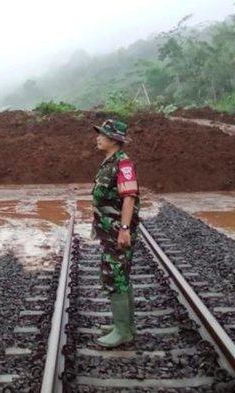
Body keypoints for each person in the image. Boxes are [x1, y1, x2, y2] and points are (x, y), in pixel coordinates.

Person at [91, 119, 140, 348]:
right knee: (121, 275)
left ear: (113, 140)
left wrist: (124, 229)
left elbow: (129, 197)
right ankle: (125, 326)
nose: (97, 137)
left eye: (102, 135)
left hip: (116, 231)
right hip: (109, 230)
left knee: (116, 276)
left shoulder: (123, 163)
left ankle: (123, 332)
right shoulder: (110, 161)